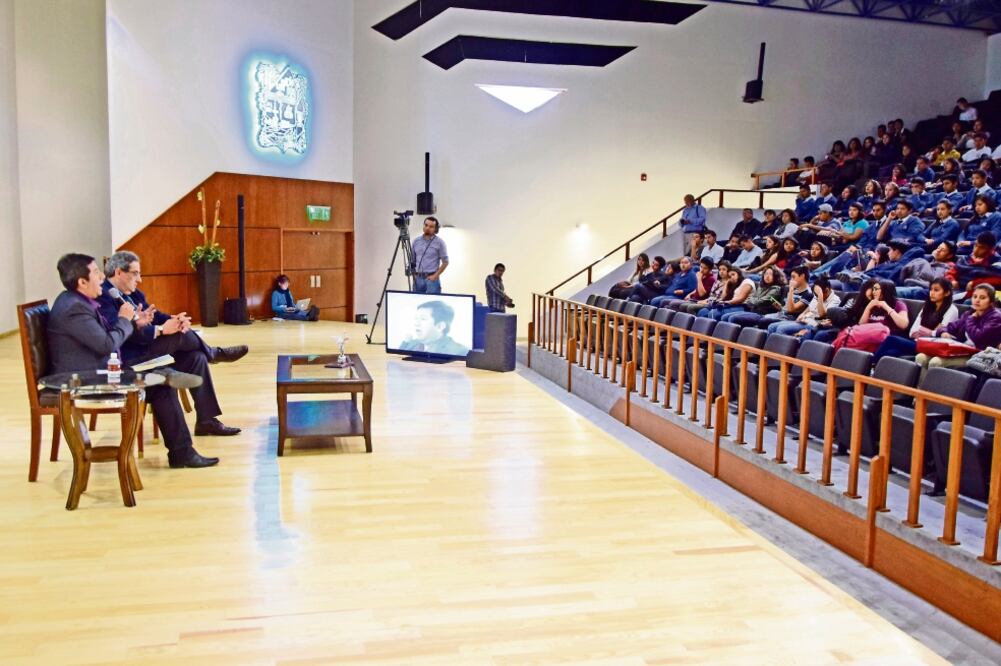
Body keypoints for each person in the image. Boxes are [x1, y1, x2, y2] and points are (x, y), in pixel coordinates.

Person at [47, 253, 218, 468]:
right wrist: (125, 320)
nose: (102, 277)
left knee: (162, 383)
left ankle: (181, 451)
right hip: (87, 379)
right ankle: (181, 451)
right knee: (161, 384)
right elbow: (107, 344)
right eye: (97, 273)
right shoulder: (74, 308)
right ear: (82, 282)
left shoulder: (77, 301)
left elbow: (104, 337)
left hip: (101, 368)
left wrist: (135, 324)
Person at [100, 251, 246, 437]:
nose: (140, 279)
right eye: (135, 273)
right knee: (180, 337)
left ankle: (207, 421)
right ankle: (214, 353)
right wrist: (161, 330)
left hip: (146, 350)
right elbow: (121, 335)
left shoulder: (133, 293)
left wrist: (174, 320)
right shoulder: (103, 297)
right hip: (127, 359)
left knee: (196, 358)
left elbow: (156, 315)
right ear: (119, 272)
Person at [916, 284, 1001, 373]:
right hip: (960, 351)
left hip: (978, 357)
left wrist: (972, 319)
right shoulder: (969, 314)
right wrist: (943, 332)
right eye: (975, 297)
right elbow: (950, 327)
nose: (977, 300)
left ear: (991, 301)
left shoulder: (995, 317)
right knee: (921, 357)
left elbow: (978, 337)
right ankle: (917, 387)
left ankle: (932, 387)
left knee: (936, 362)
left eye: (982, 298)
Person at [872, 278, 959, 363]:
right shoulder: (927, 306)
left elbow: (939, 334)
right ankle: (872, 369)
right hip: (917, 342)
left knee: (891, 339)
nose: (932, 293)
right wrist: (928, 332)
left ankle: (869, 365)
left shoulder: (952, 310)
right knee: (890, 353)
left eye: (936, 290)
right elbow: (912, 331)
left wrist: (924, 331)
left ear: (947, 293)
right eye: (931, 289)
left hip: (932, 346)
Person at [768, 276, 841, 338]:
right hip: (804, 321)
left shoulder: (835, 300)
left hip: (813, 325)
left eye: (817, 293)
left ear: (827, 290)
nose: (816, 296)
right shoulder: (816, 296)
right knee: (772, 326)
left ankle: (780, 353)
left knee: (781, 329)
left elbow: (822, 314)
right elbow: (808, 309)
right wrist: (801, 316)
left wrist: (820, 296)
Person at [399, 300, 469, 356]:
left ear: (440, 326)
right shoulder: (411, 343)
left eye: (423, 319)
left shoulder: (458, 351)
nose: (416, 323)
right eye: (416, 318)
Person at [411, 216, 448, 294]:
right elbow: (412, 261)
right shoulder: (416, 241)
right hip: (418, 279)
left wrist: (435, 276)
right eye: (426, 225)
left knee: (433, 304)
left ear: (436, 229)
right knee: (416, 303)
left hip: (432, 280)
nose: (427, 228)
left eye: (431, 226)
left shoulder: (440, 243)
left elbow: (445, 262)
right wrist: (414, 275)